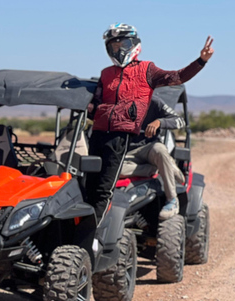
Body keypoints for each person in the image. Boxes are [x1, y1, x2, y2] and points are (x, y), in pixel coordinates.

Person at [85, 23, 214, 224]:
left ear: (134, 44)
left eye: (123, 44)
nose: (118, 49)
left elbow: (177, 77)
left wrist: (201, 61)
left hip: (134, 143)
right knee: (91, 184)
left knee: (105, 189)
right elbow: (96, 102)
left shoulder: (148, 73)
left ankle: (170, 198)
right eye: (114, 46)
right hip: (106, 139)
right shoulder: (106, 74)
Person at [118, 95, 186, 220]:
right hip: (126, 153)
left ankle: (172, 200)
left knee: (159, 149)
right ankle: (158, 167)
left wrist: (160, 122)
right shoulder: (118, 100)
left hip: (149, 148)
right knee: (113, 170)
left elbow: (180, 121)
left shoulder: (154, 102)